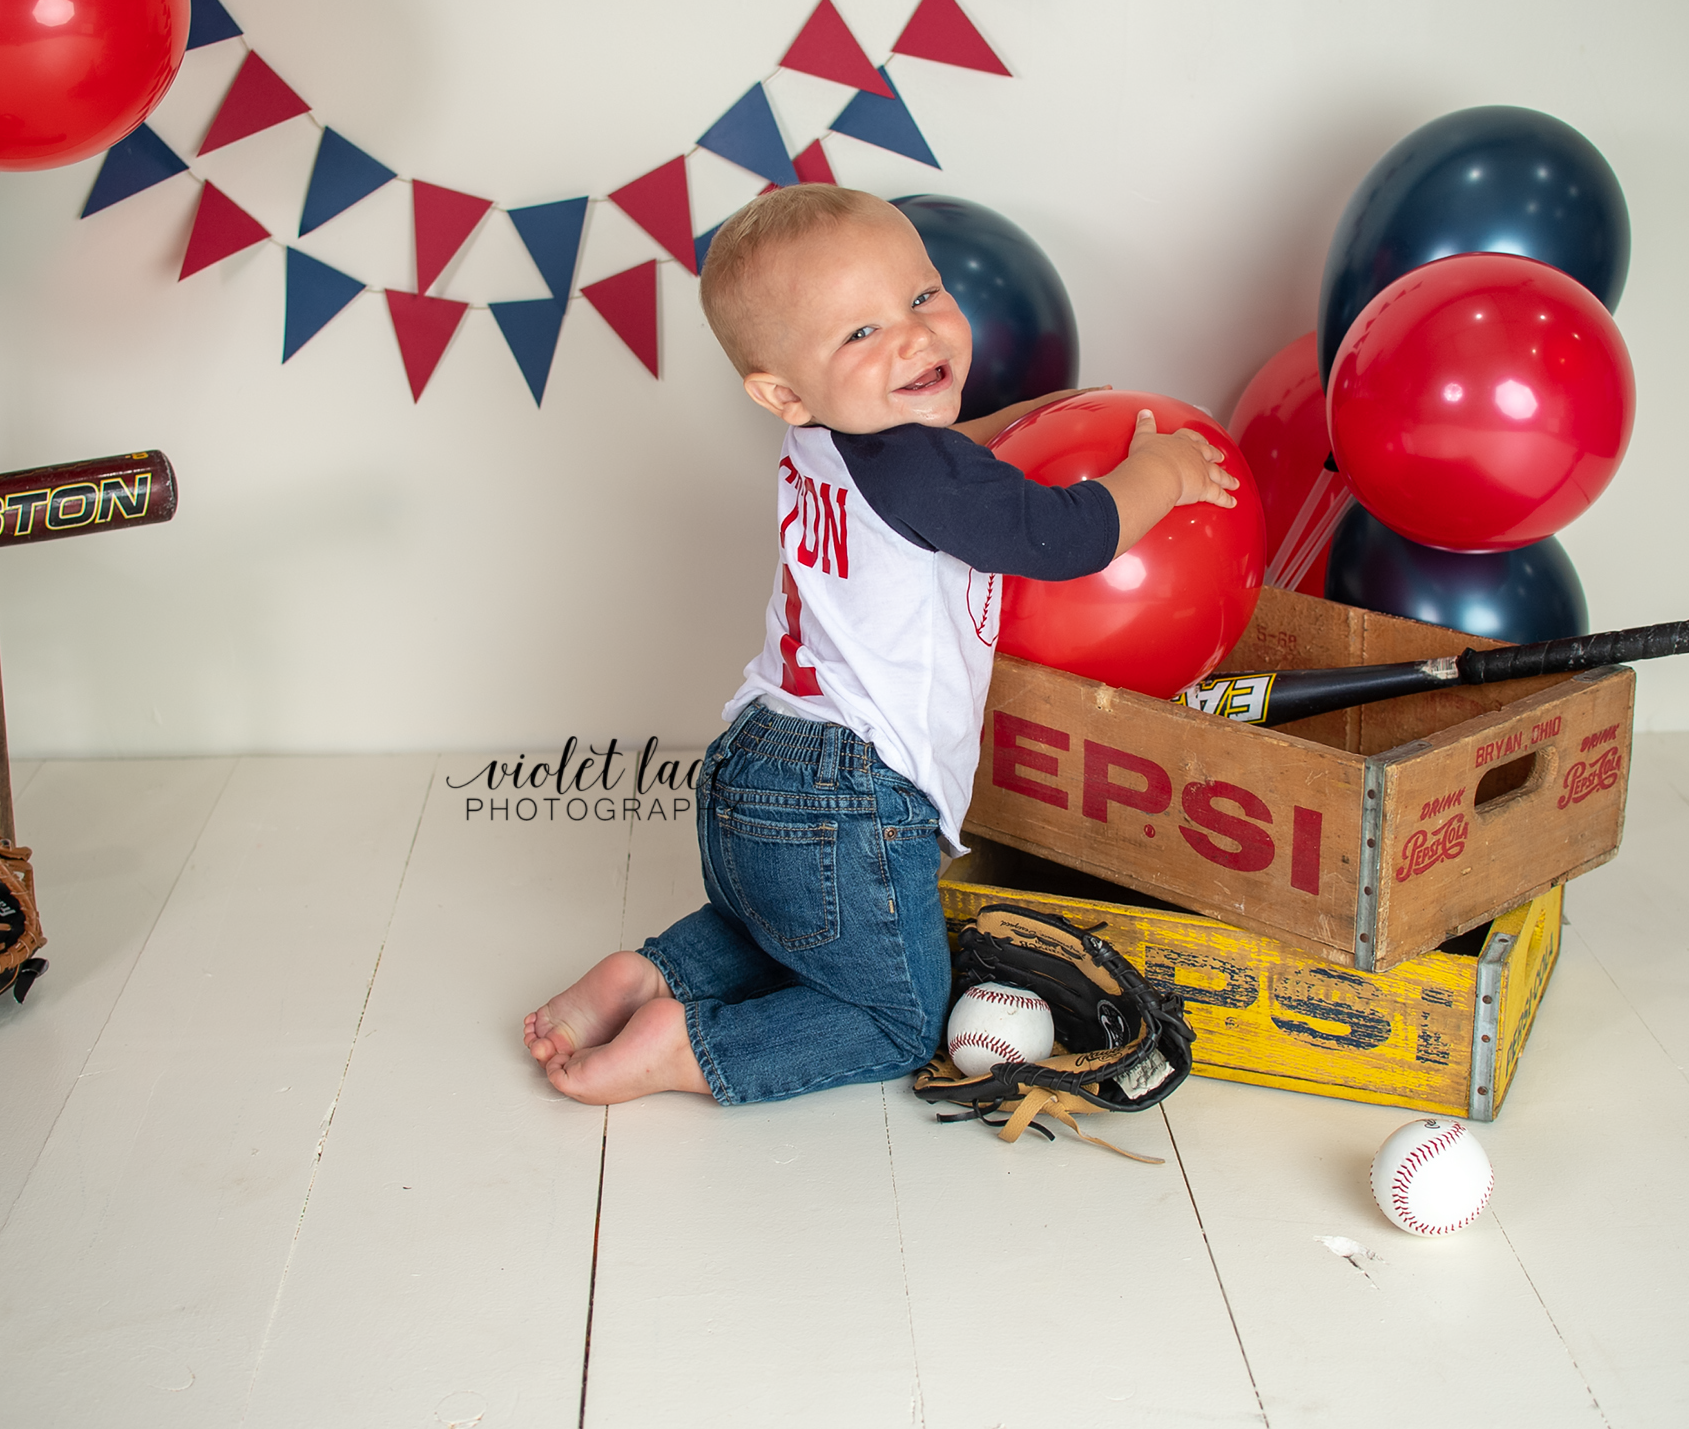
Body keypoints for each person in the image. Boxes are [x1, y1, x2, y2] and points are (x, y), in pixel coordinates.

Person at [523, 185, 1237, 1106]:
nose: (912, 335)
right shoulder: (915, 468)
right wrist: (1162, 473)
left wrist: (1036, 415)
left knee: (784, 927)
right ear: (783, 389)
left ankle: (653, 975)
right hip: (848, 789)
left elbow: (950, 465)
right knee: (897, 1019)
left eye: (922, 295)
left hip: (754, 754)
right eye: (860, 332)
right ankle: (692, 1048)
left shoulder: (825, 437)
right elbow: (1061, 537)